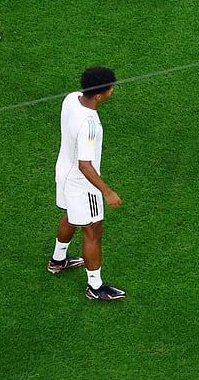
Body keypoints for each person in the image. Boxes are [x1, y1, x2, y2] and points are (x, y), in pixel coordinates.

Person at [49, 66, 126, 300]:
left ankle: (58, 260)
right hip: (82, 183)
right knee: (93, 230)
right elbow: (85, 165)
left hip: (63, 172)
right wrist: (107, 191)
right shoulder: (90, 124)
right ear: (100, 95)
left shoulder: (71, 98)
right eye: (110, 88)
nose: (112, 90)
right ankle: (95, 287)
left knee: (73, 215)